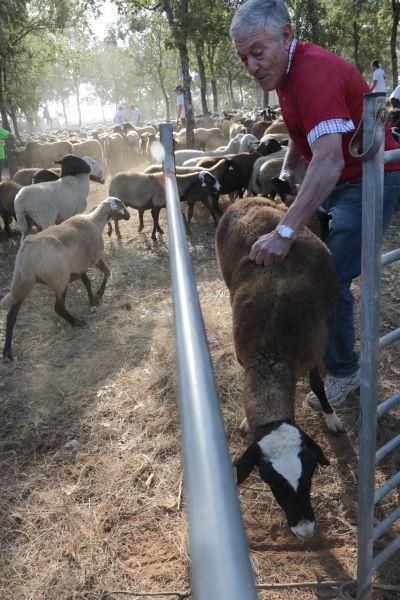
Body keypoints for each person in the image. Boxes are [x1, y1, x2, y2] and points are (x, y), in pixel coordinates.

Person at [230, 0, 400, 408]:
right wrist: (289, 165)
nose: (251, 65)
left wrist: (284, 232)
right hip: (343, 181)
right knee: (316, 266)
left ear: (286, 35)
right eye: (243, 58)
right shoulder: (289, 74)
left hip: (366, 180)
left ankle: (344, 372)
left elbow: (329, 159)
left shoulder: (312, 73)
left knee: (329, 275)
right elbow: (304, 130)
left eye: (258, 52)